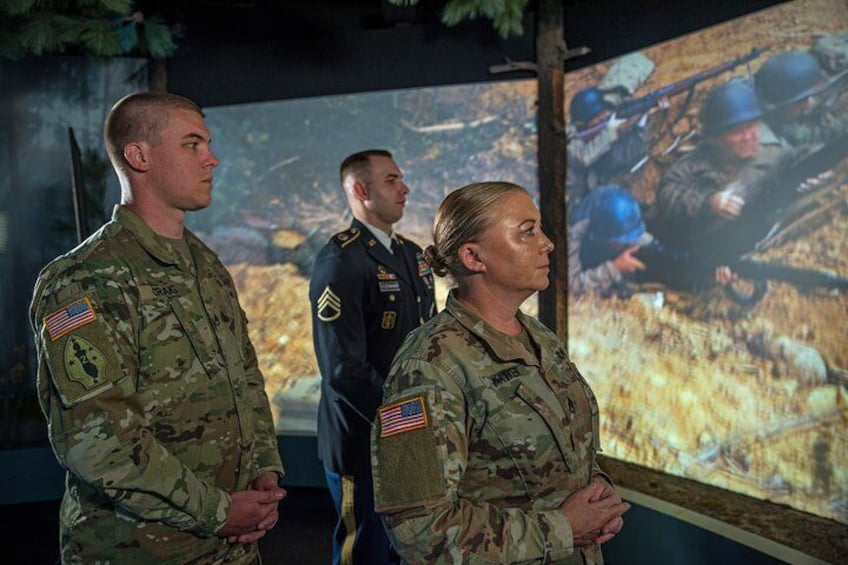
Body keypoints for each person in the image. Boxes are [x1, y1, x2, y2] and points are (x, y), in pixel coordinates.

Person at [29, 92, 286, 564]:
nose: (212, 157)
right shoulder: (85, 279)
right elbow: (100, 443)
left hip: (230, 545)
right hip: (139, 550)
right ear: (139, 156)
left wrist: (263, 471)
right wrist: (217, 510)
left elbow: (245, 377)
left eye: (207, 143)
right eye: (192, 144)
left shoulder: (203, 263)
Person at [371, 182, 631, 563]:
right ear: (474, 257)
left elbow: (566, 453)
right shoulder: (429, 366)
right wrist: (564, 528)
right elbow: (420, 533)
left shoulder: (537, 336)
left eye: (539, 229)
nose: (548, 244)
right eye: (528, 231)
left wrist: (598, 497)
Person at [309, 149, 436, 564]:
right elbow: (343, 371)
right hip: (364, 440)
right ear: (361, 190)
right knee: (364, 551)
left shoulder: (414, 255)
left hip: (411, 433)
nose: (405, 188)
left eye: (401, 178)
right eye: (391, 180)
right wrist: (403, 419)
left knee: (405, 548)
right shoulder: (341, 260)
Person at [567, 86, 668, 222]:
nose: (603, 118)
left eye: (604, 113)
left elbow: (627, 157)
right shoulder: (568, 137)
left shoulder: (601, 139)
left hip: (597, 199)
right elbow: (584, 157)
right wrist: (608, 132)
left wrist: (643, 119)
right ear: (581, 124)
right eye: (597, 117)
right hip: (574, 210)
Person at [569, 185, 653, 297]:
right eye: (624, 241)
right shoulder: (572, 239)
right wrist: (614, 269)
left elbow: (648, 243)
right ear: (603, 237)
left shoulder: (632, 231)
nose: (631, 244)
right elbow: (570, 289)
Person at [754, 50, 848, 147]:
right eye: (801, 101)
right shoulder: (779, 126)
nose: (807, 105)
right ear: (781, 105)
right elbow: (820, 134)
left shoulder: (773, 93)